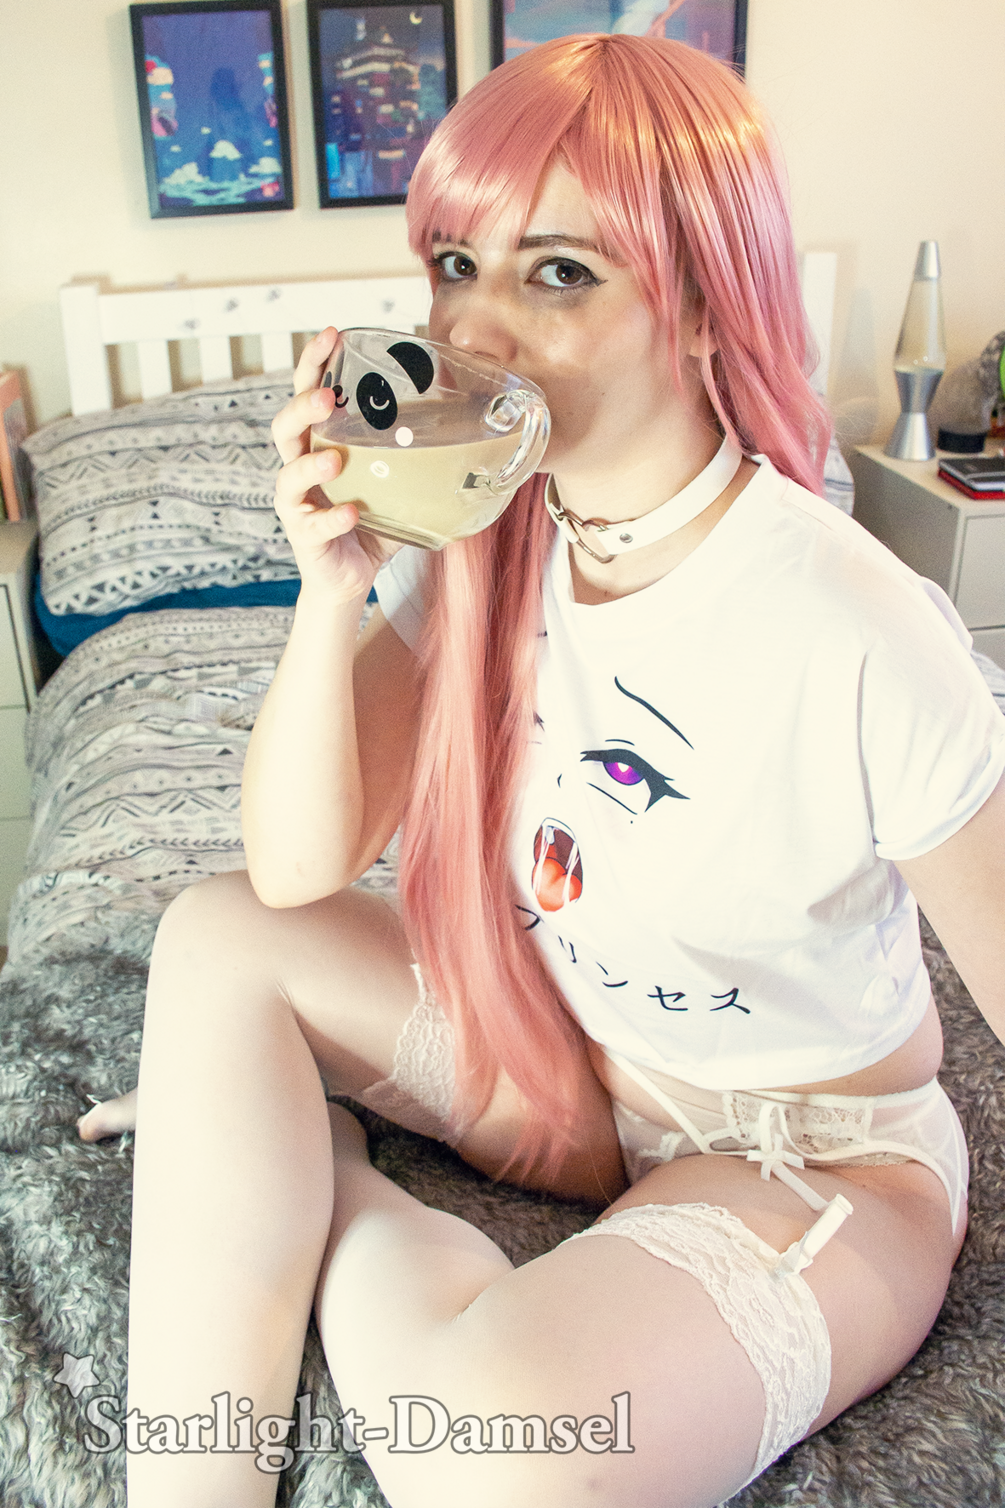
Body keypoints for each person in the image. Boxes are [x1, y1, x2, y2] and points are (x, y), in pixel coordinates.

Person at [78, 33, 1005, 1508]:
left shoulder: (857, 628)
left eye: (559, 272)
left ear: (700, 308)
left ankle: (336, 1185)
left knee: (492, 1459)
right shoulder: (484, 543)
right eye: (456, 265)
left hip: (812, 1162)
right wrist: (328, 590)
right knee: (217, 935)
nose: (477, 328)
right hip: (573, 1080)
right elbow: (296, 870)